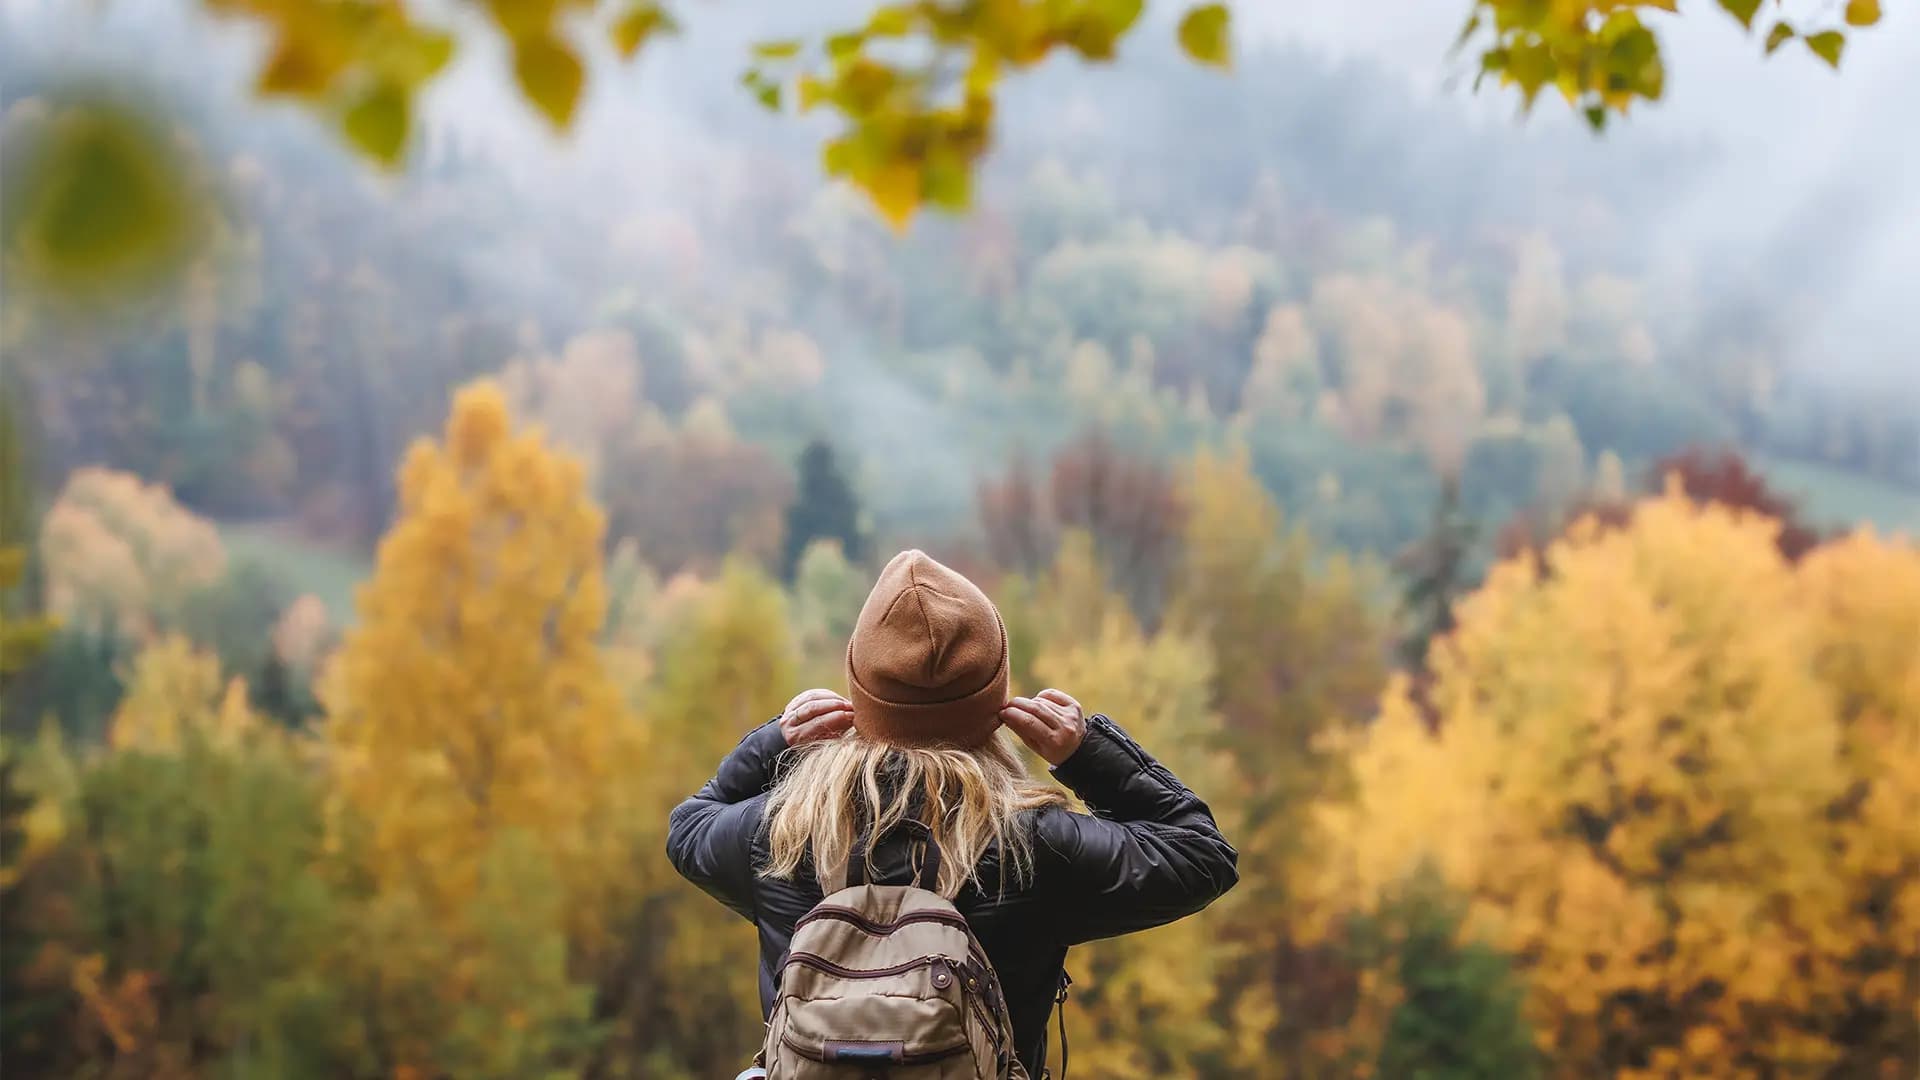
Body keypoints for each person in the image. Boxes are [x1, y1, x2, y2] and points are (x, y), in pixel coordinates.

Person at [667, 549, 1238, 1077]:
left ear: (859, 694)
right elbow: (1202, 854)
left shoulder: (784, 832)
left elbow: (688, 829)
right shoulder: (1032, 845)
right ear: (996, 705)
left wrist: (775, 742)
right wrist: (1086, 754)